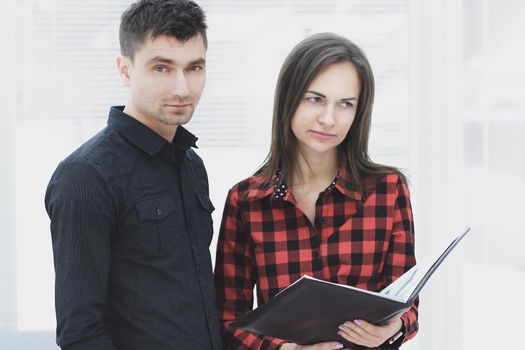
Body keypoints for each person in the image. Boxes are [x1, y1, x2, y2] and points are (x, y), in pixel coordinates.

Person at [214, 33, 418, 350]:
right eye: (315, 99)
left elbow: (408, 307)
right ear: (289, 98)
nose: (328, 119)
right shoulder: (246, 202)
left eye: (345, 104)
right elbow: (227, 322)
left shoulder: (388, 191)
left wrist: (393, 327)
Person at [44, 1, 222, 349]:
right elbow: (81, 333)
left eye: (194, 67)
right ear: (125, 69)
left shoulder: (191, 166)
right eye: (161, 68)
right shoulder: (86, 176)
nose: (182, 88)